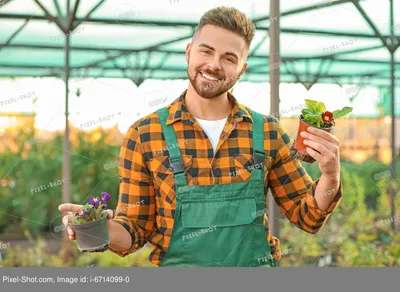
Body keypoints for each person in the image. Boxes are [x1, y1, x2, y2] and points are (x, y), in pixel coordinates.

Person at [59, 6, 343, 267]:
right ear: (188, 52)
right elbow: (134, 229)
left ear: (241, 69)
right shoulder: (145, 135)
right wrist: (99, 227)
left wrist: (330, 176)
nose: (214, 65)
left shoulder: (267, 132)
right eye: (206, 51)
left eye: (229, 58)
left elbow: (307, 217)